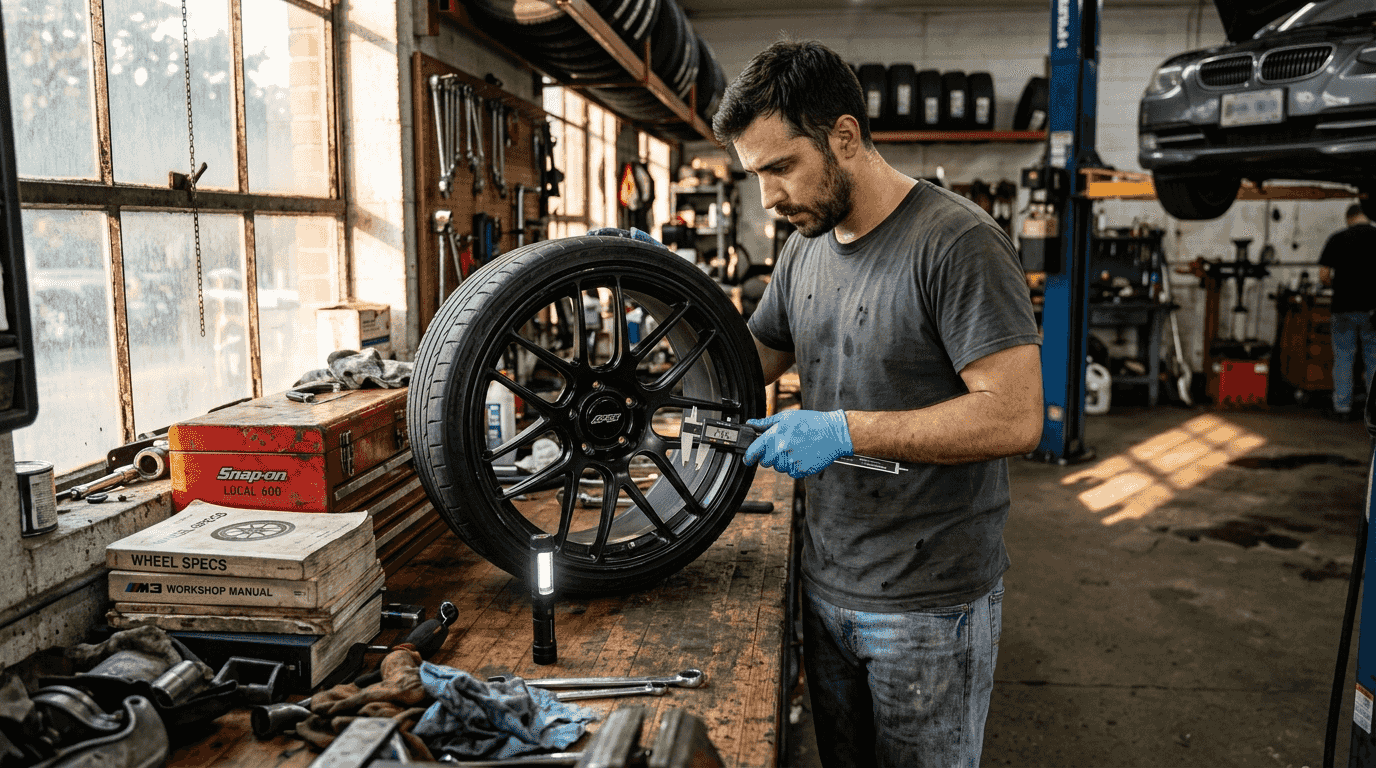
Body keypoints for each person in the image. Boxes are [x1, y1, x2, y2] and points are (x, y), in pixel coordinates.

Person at [711, 40, 1044, 767]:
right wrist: (659, 290)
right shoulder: (805, 244)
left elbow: (1016, 415)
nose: (767, 197)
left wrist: (843, 429)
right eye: (755, 175)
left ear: (844, 136)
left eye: (780, 168)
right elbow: (747, 360)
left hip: (931, 606)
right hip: (827, 582)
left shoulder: (957, 244)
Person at [1319, 203, 1376, 421]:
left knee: (1344, 357)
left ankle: (1342, 407)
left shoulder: (1337, 238)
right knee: (1373, 359)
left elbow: (1324, 275)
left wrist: (1337, 285)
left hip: (1343, 307)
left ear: (1348, 217)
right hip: (1373, 310)